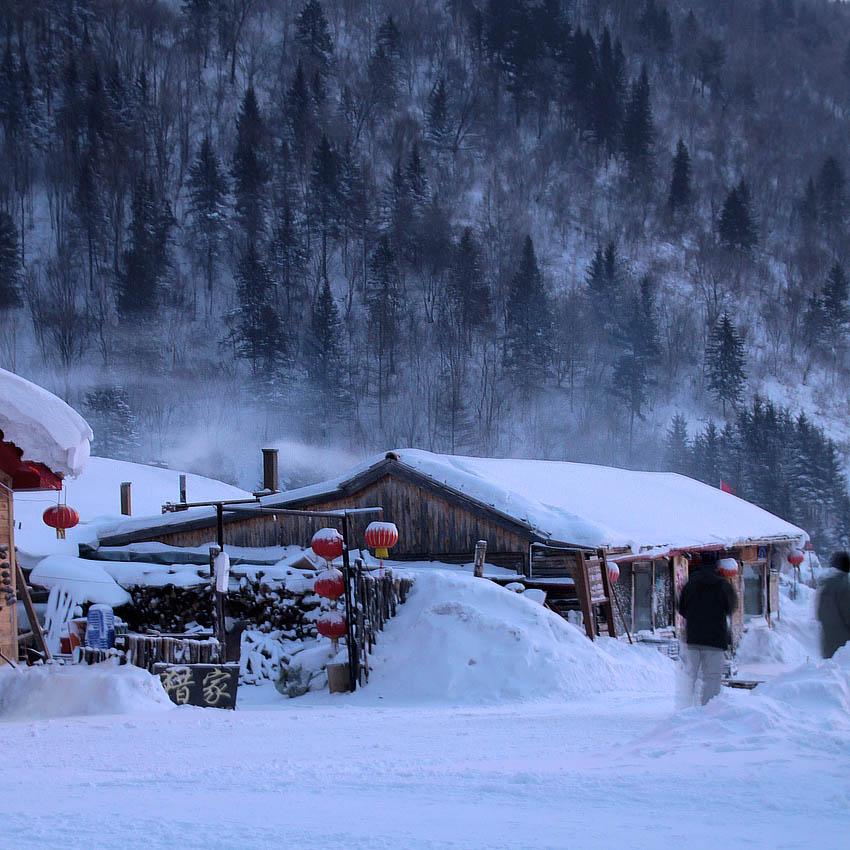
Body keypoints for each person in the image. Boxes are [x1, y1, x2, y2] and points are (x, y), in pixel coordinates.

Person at [677, 555, 738, 707]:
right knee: (712, 677)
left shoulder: (690, 585)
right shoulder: (723, 585)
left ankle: (685, 707)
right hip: (715, 639)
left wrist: (694, 617)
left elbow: (682, 608)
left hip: (693, 637)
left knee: (690, 675)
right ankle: (707, 709)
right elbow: (731, 607)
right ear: (717, 567)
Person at [816, 551, 850, 659]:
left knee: (830, 669)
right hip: (843, 640)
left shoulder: (826, 585)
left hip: (828, 638)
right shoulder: (844, 585)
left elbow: (819, 614)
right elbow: (848, 613)